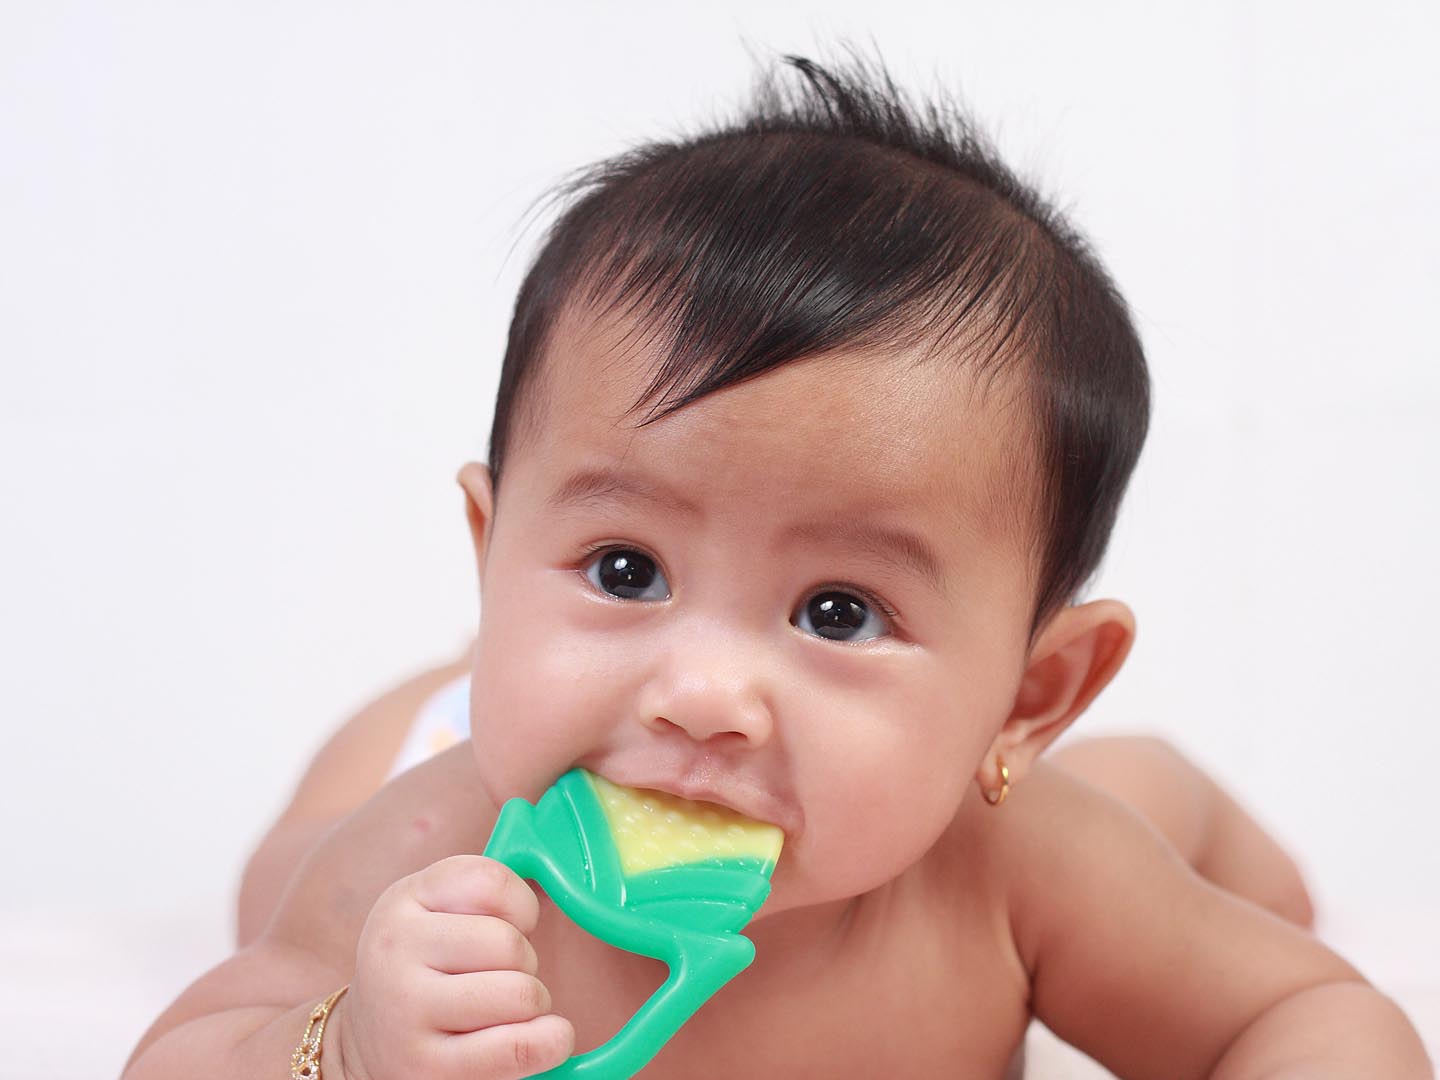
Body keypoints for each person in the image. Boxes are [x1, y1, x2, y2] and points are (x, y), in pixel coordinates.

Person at [124, 46, 1431, 1079]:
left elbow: (1304, 1014)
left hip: (997, 795)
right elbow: (182, 1055)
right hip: (447, 740)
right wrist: (343, 1051)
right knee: (273, 885)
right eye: (625, 567)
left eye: (838, 611)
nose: (701, 692)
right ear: (491, 551)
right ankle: (462, 679)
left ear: (1031, 697)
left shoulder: (1022, 870)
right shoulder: (433, 842)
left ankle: (1166, 783)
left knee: (1145, 819)